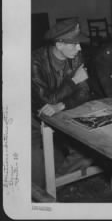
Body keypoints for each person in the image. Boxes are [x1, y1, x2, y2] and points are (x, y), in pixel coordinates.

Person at [31, 18, 92, 188]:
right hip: (32, 121)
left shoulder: (75, 55)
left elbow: (84, 92)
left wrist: (61, 106)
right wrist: (73, 81)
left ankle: (57, 182)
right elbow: (45, 102)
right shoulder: (34, 61)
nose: (79, 48)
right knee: (36, 179)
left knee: (88, 151)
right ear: (59, 44)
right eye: (74, 44)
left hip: (62, 112)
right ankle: (44, 189)